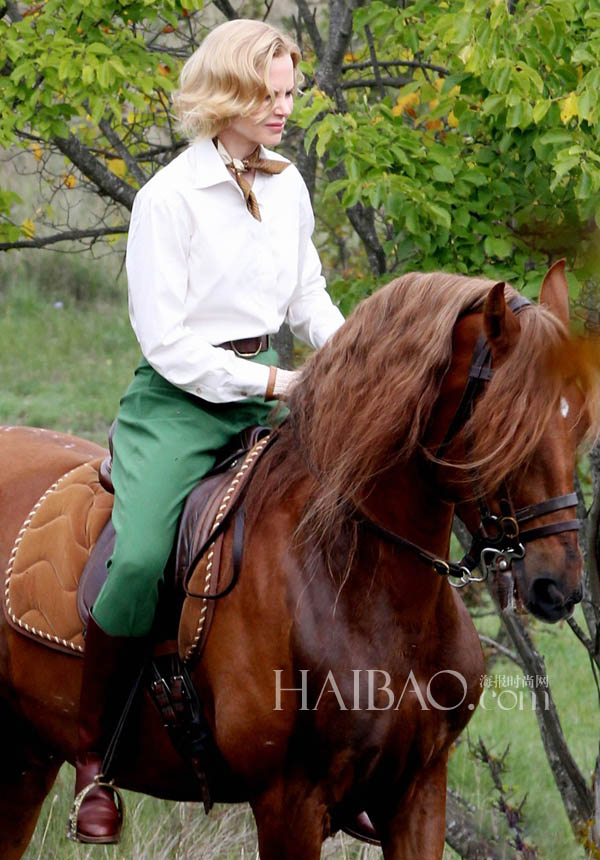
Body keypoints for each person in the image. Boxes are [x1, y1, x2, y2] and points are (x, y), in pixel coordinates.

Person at [70, 18, 346, 844]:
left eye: (292, 93)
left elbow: (308, 300)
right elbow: (168, 342)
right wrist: (281, 380)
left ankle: (350, 752)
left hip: (272, 393)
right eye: (270, 93)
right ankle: (97, 755)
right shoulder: (167, 199)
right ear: (226, 91)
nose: (284, 108)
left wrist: (359, 361)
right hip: (179, 402)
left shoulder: (288, 184)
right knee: (144, 559)